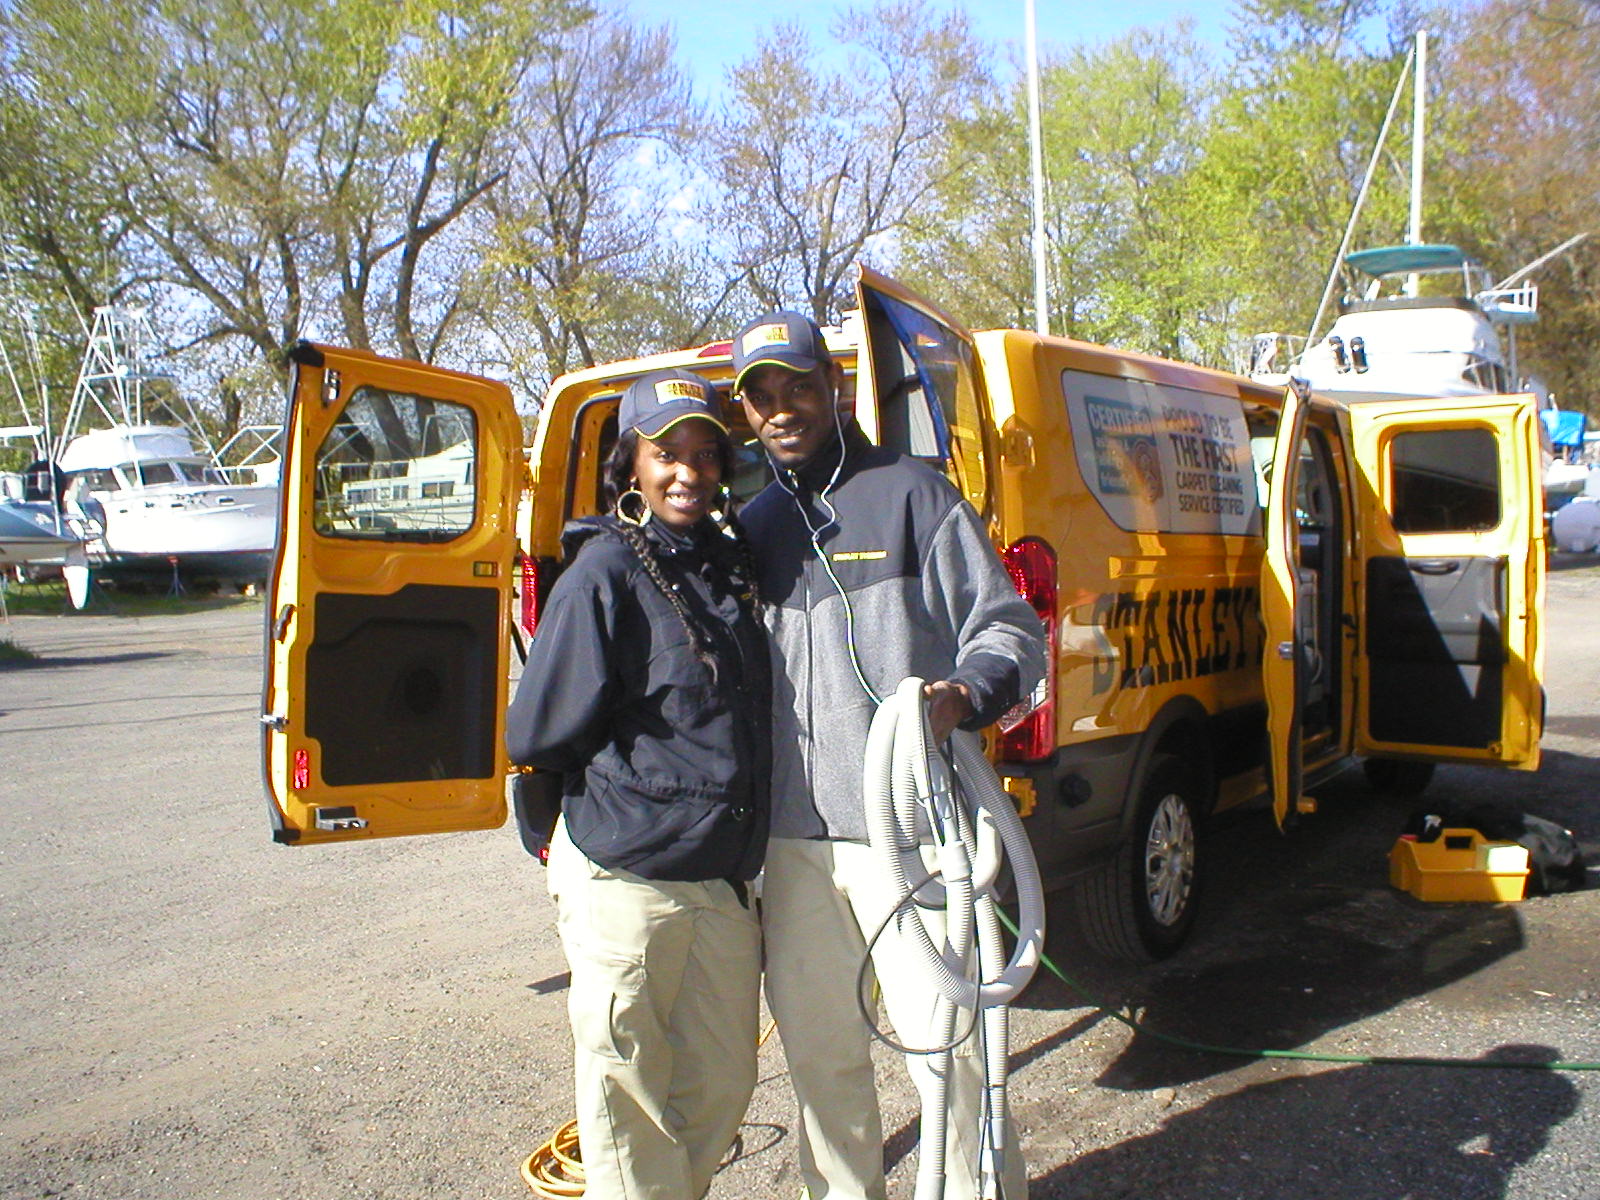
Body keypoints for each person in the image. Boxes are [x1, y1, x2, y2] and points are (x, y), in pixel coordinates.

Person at [731, 311, 1048, 1200]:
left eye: (799, 387)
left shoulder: (913, 495)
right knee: (823, 1074)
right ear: (747, 411)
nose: (783, 408)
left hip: (907, 840)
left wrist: (962, 694)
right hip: (792, 855)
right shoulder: (752, 529)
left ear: (833, 386)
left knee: (952, 1068)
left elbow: (1011, 631)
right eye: (763, 396)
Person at [504, 368, 770, 1200]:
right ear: (633, 464)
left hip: (720, 879)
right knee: (628, 1106)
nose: (688, 472)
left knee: (722, 1089)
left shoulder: (729, 565)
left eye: (705, 453)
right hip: (626, 877)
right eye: (667, 454)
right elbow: (541, 730)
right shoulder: (603, 574)